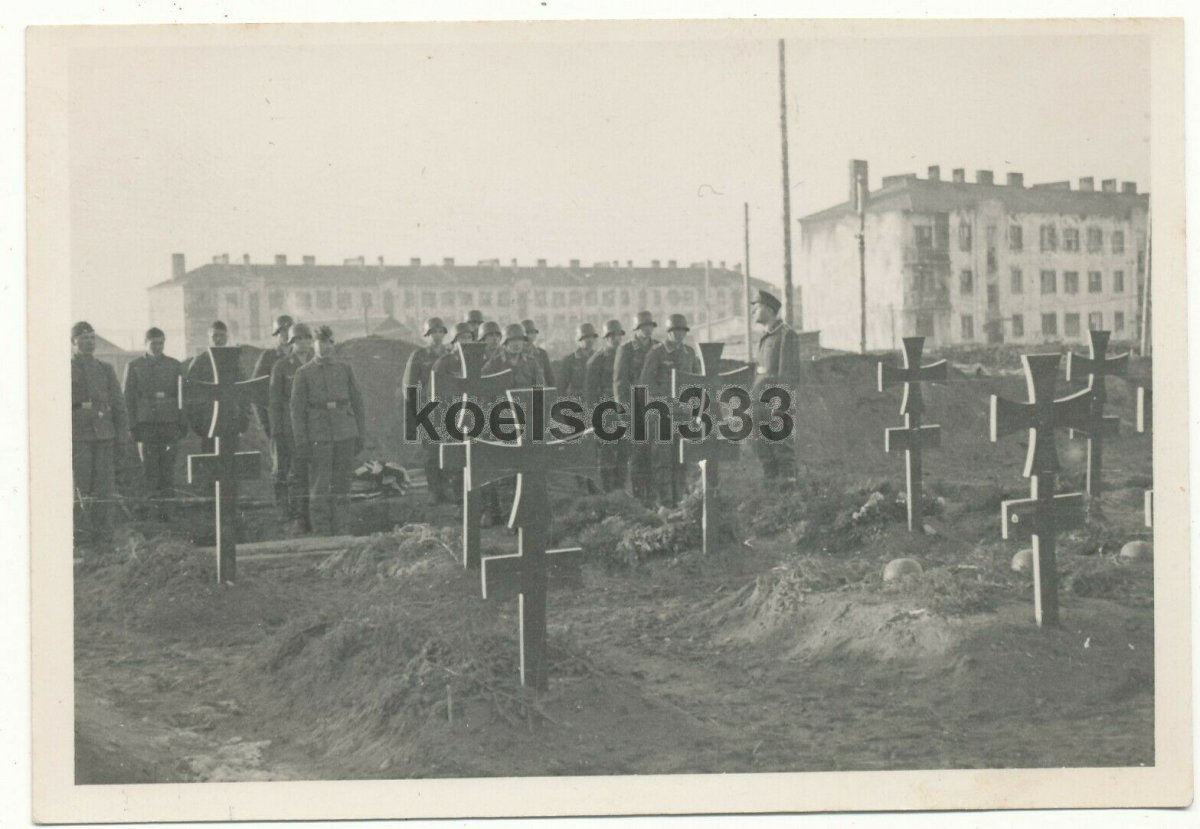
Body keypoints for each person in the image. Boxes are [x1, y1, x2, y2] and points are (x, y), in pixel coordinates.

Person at [291, 326, 366, 536]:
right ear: (313, 344)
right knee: (320, 484)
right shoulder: (303, 373)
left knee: (343, 484)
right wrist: (301, 441)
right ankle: (322, 532)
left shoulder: (345, 368)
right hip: (319, 433)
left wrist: (360, 433)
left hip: (345, 431)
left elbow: (358, 402)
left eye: (329, 342)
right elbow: (296, 410)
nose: (325, 346)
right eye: (321, 342)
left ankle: (342, 529)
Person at [71, 321, 129, 549]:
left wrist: (122, 435)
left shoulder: (105, 369)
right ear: (73, 342)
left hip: (104, 434)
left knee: (104, 487)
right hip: (78, 435)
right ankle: (81, 537)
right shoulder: (64, 367)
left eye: (91, 338)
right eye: (83, 338)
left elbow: (118, 404)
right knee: (80, 486)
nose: (88, 342)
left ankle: (104, 536)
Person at [122, 327, 186, 521]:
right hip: (146, 424)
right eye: (153, 343)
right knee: (149, 468)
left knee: (168, 468)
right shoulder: (135, 366)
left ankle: (168, 512)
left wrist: (182, 423)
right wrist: (132, 426)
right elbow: (128, 398)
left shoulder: (174, 365)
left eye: (161, 343)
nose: (157, 347)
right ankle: (150, 512)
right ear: (145, 344)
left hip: (169, 423)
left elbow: (183, 396)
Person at [639, 313, 697, 507]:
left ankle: (680, 501)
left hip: (683, 415)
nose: (679, 334)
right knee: (662, 461)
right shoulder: (657, 352)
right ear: (669, 332)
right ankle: (665, 502)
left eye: (682, 330)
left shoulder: (689, 353)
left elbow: (697, 381)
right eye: (675, 330)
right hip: (662, 414)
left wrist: (692, 408)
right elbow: (646, 383)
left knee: (682, 458)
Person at [750, 290, 802, 483]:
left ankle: (789, 493)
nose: (753, 312)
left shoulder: (786, 335)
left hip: (776, 402)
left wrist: (780, 405)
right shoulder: (765, 337)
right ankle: (771, 493)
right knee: (763, 449)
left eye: (757, 307)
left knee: (782, 449)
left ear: (770, 310)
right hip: (759, 402)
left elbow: (788, 374)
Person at [269, 322, 314, 532]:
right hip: (291, 427)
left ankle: (312, 514)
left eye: (307, 338)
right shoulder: (282, 366)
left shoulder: (317, 361)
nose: (303, 343)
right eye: (298, 339)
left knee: (313, 471)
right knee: (296, 472)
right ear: (291, 342)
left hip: (315, 424)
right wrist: (277, 430)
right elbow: (275, 401)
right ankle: (298, 516)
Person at [401, 317, 450, 503]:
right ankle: (434, 490)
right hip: (428, 408)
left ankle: (447, 487)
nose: (436, 336)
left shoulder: (451, 354)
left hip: (449, 407)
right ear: (426, 335)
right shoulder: (419, 355)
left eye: (439, 332)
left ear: (444, 334)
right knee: (431, 451)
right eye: (432, 332)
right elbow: (410, 385)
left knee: (449, 449)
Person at [612, 310, 659, 505]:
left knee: (655, 454)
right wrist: (623, 412)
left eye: (650, 326)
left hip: (654, 409)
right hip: (635, 407)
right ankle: (639, 498)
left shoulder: (658, 348)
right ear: (636, 329)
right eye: (643, 327)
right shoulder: (627, 350)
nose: (647, 330)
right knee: (638, 455)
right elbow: (619, 383)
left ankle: (652, 498)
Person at [252, 314, 294, 511]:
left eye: (288, 331)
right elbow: (255, 392)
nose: (285, 335)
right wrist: (266, 423)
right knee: (281, 466)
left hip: (299, 421)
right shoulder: (268, 358)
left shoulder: (301, 356)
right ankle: (282, 508)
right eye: (281, 331)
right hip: (277, 421)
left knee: (300, 465)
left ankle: (298, 508)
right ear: (276, 334)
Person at [185, 320, 247, 453]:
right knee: (210, 459)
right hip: (208, 421)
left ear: (227, 338)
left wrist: (243, 420)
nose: (218, 339)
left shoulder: (235, 362)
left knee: (231, 459)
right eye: (215, 336)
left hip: (230, 420)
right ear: (209, 338)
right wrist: (197, 424)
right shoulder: (200, 362)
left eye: (222, 336)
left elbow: (244, 391)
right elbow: (190, 394)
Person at [432, 322, 476, 505]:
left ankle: (476, 502)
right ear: (455, 341)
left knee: (476, 458)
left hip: (475, 416)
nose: (466, 341)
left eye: (469, 337)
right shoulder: (445, 362)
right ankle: (461, 502)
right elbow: (436, 392)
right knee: (458, 460)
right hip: (452, 415)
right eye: (462, 338)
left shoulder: (478, 361)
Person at [585, 319, 629, 492]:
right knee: (607, 453)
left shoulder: (626, 355)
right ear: (606, 338)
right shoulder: (598, 359)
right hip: (605, 411)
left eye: (618, 335)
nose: (616, 339)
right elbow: (590, 391)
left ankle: (620, 489)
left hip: (624, 409)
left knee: (624, 451)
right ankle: (608, 491)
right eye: (612, 336)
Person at [558, 322, 597, 399]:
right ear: (579, 340)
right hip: (576, 401)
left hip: (595, 400)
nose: (589, 340)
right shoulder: (569, 360)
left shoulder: (598, 358)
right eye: (585, 337)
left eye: (592, 337)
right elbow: (561, 387)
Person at [521, 318, 555, 387]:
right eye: (527, 333)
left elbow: (549, 377)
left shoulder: (542, 354)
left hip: (537, 389)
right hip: (520, 390)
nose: (529, 336)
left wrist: (552, 391)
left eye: (532, 332)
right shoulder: (515, 354)